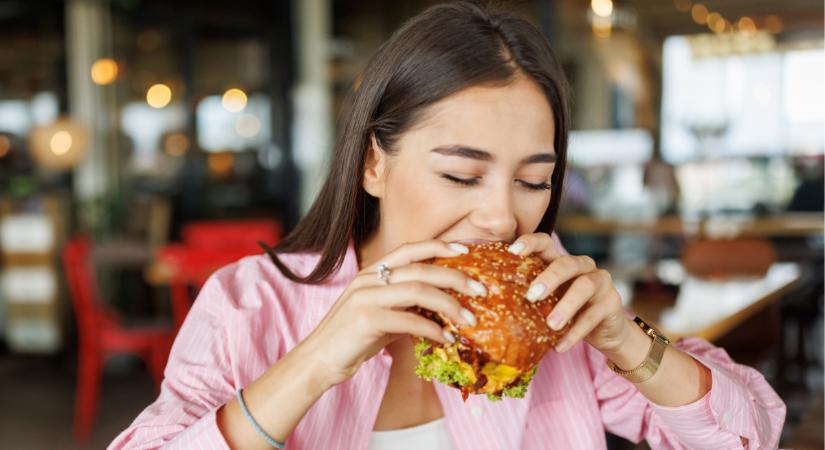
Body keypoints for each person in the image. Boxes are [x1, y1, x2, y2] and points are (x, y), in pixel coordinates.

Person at [109, 3, 785, 449]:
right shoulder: (248, 303)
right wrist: (315, 361)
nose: (499, 215)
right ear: (375, 164)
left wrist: (624, 337)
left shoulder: (554, 317)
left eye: (532, 180)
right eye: (461, 175)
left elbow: (745, 435)